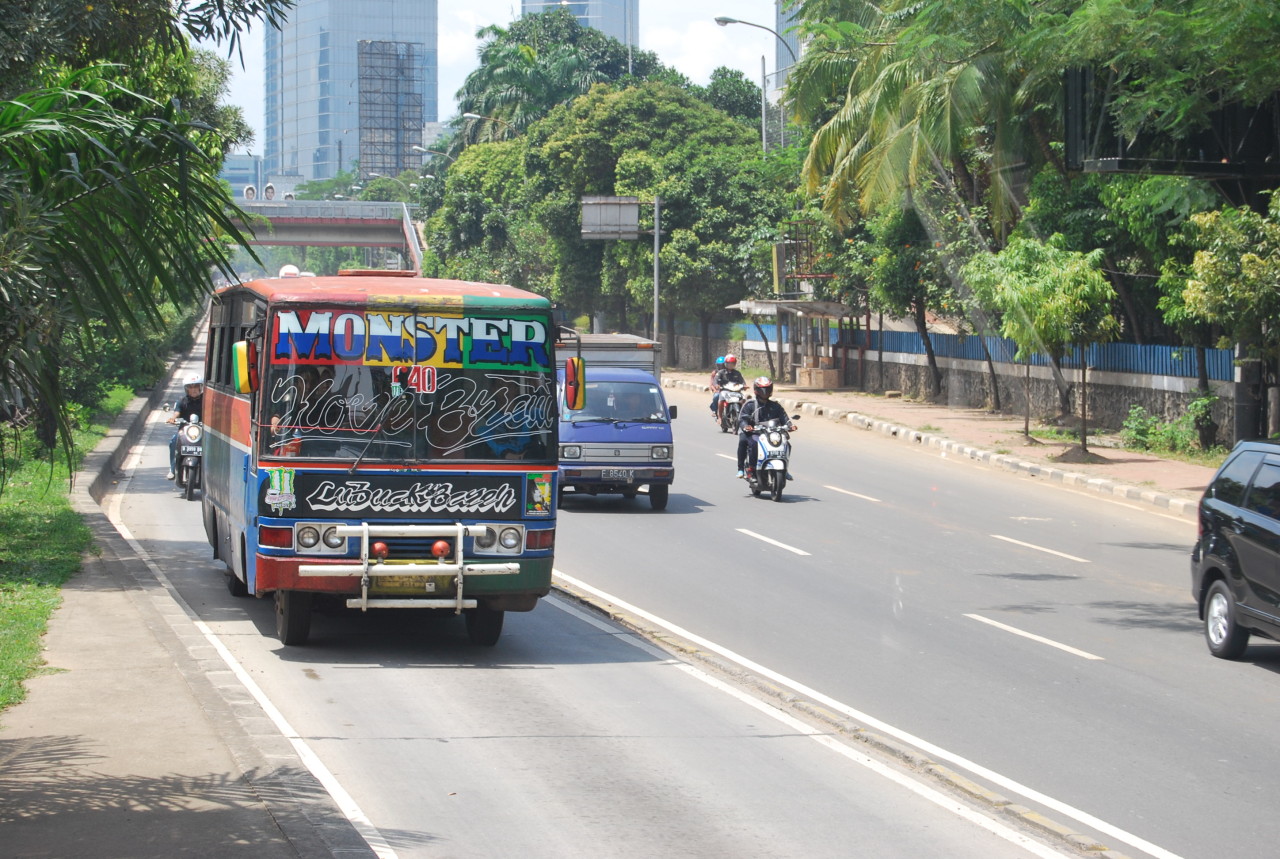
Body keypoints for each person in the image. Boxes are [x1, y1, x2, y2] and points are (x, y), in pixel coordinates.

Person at [736, 376, 794, 479]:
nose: (765, 392)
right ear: (756, 390)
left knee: (787, 444)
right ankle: (748, 469)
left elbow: (784, 417)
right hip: (755, 433)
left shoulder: (776, 406)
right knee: (751, 443)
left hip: (772, 433)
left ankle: (784, 469)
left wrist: (790, 425)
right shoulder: (750, 405)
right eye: (762, 389)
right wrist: (747, 426)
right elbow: (742, 418)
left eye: (767, 389)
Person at [166, 373, 205, 479]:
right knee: (173, 442)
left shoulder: (206, 401)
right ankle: (173, 469)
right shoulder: (182, 401)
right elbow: (177, 412)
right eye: (190, 387)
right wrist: (173, 418)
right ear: (186, 389)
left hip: (202, 431)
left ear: (201, 387)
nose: (194, 390)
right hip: (185, 431)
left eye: (196, 386)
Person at [710, 353, 746, 419]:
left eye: (732, 364)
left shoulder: (737, 373)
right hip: (724, 390)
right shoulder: (720, 372)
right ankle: (719, 415)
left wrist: (744, 385)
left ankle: (744, 414)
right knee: (718, 398)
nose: (730, 365)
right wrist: (716, 385)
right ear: (726, 364)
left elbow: (742, 381)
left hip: (735, 391)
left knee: (743, 399)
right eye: (729, 364)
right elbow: (715, 380)